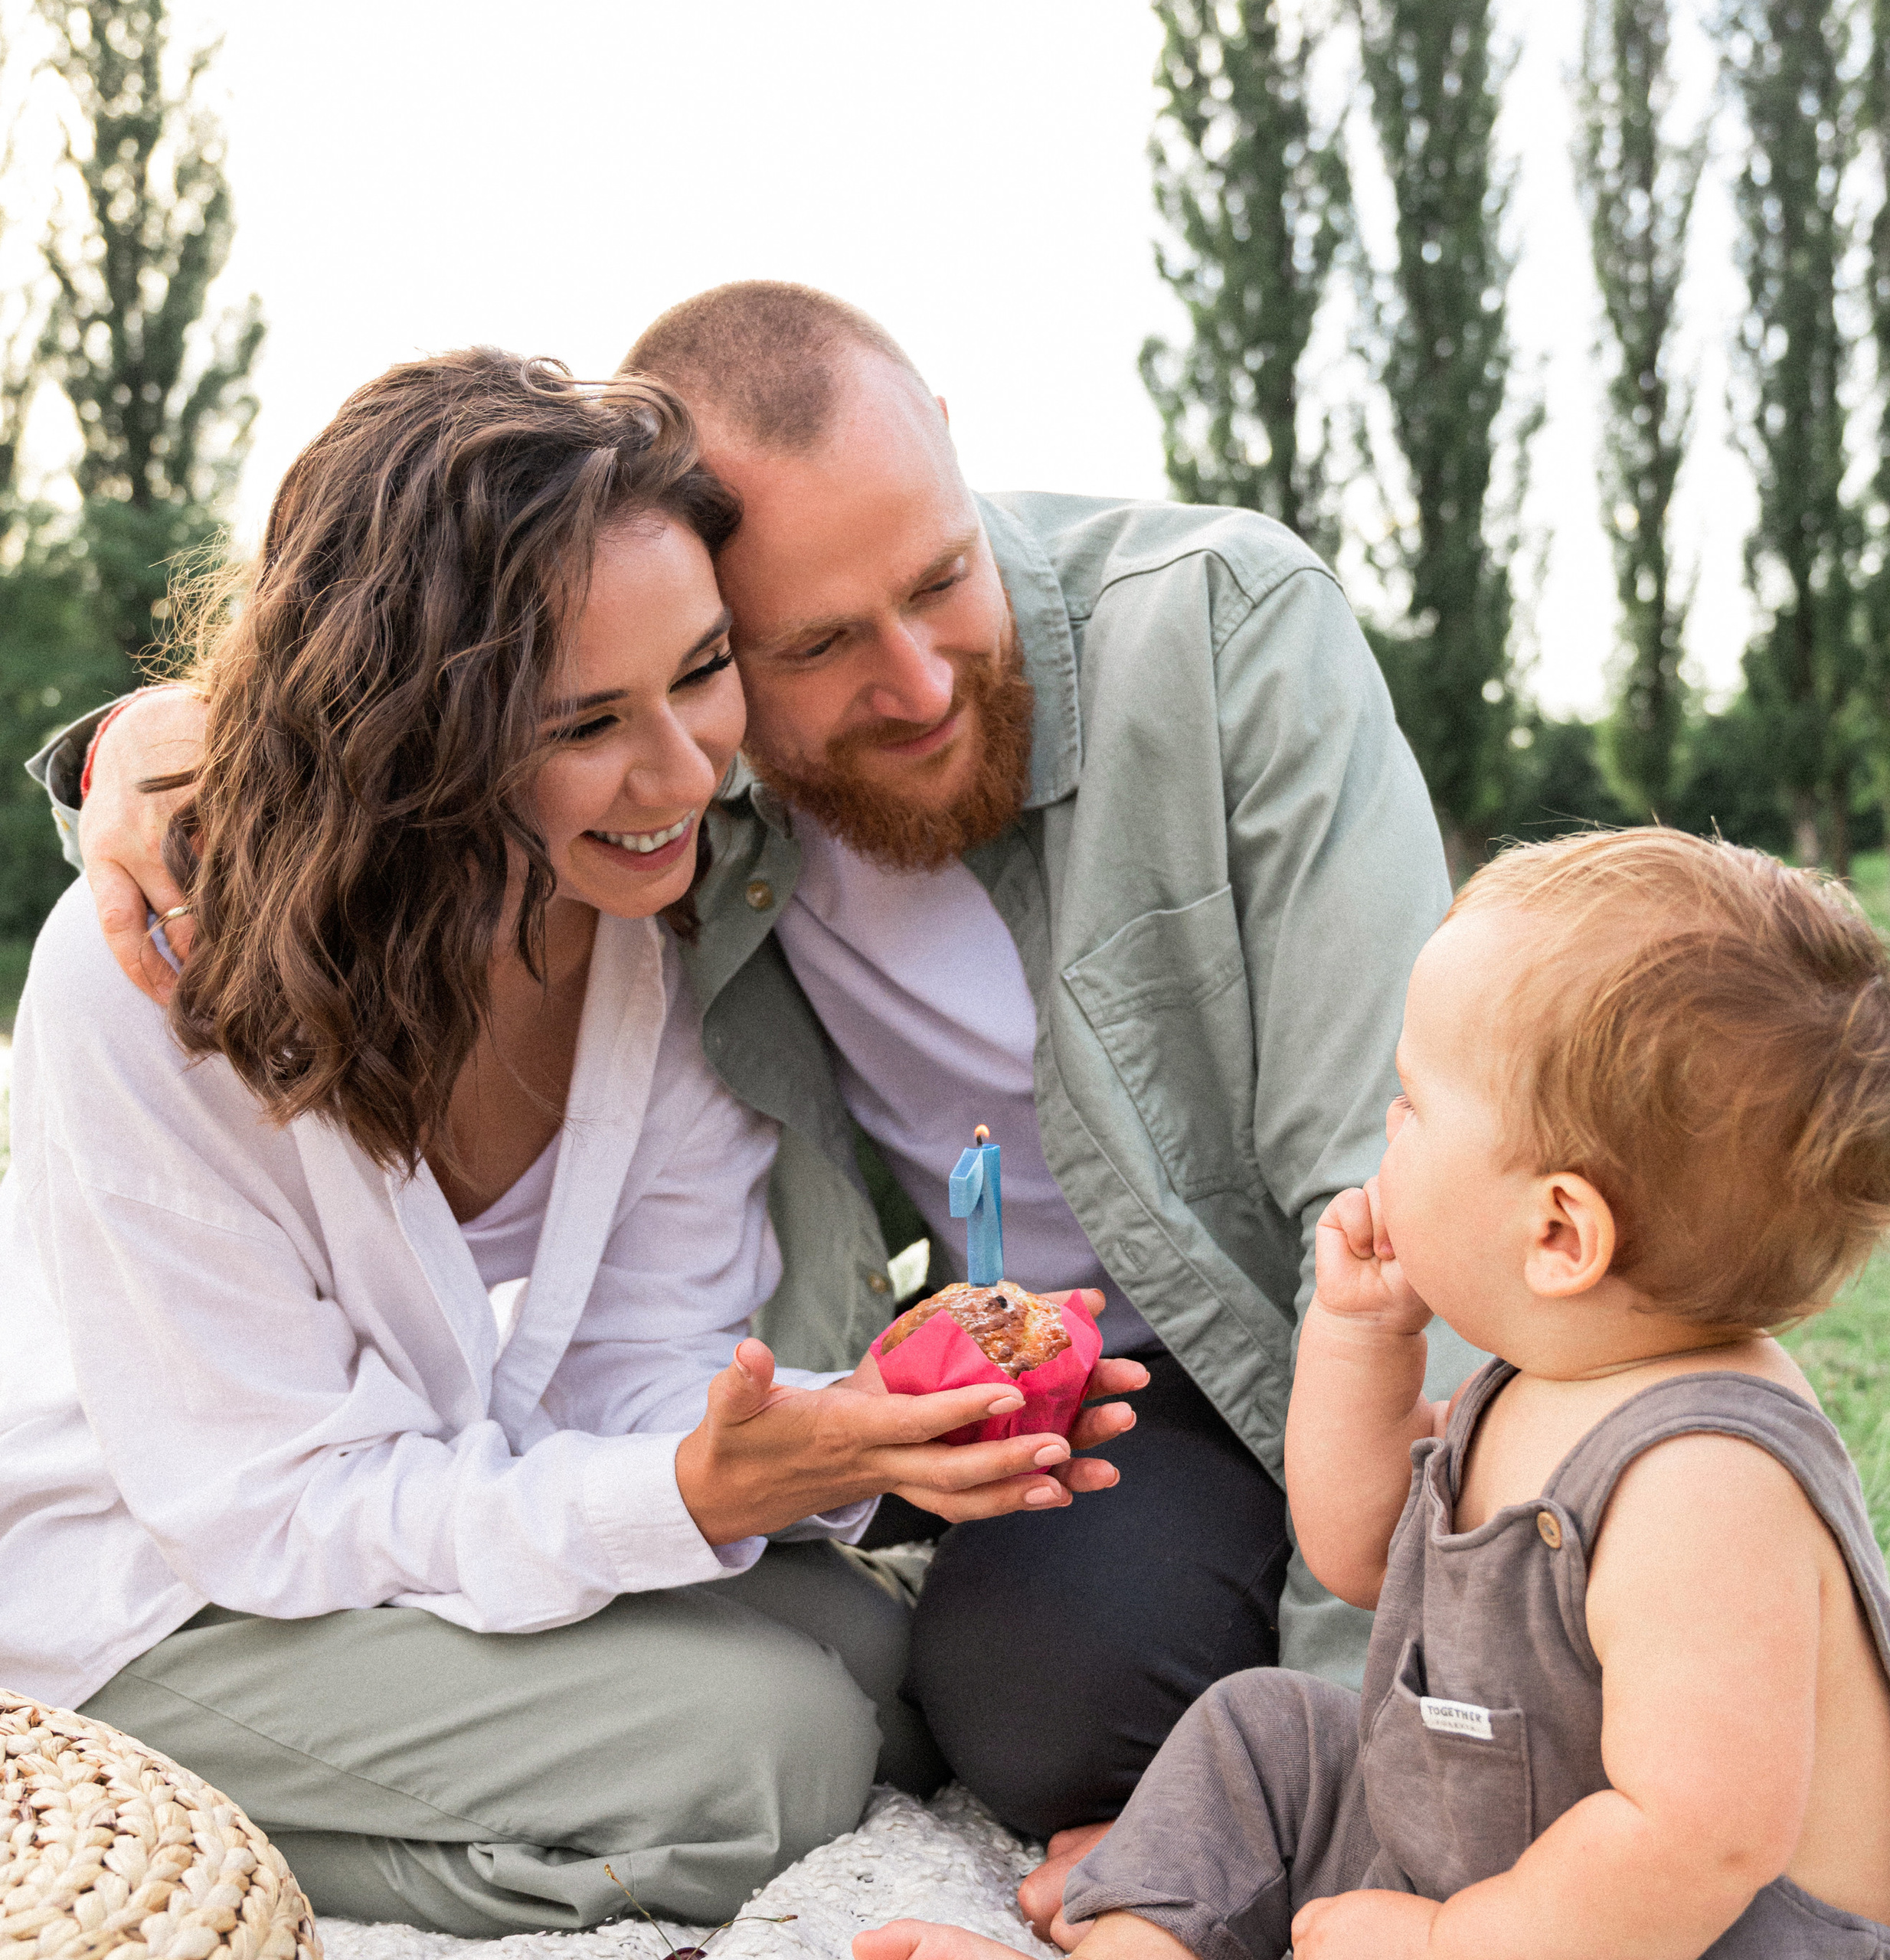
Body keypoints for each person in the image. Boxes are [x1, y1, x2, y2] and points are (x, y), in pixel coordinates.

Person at [51, 283, 1480, 1880]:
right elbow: (412, 663)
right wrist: (149, 743)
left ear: (946, 437)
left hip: (1295, 1361)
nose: (921, 682)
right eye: (807, 644)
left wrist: (1372, 1758)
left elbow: (1386, 1203)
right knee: (902, 1731)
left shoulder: (1203, 636)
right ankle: (140, 1826)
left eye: (943, 578)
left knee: (895, 1685)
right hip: (168, 1556)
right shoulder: (660, 837)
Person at [0, 348, 1143, 1938]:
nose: (684, 773)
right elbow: (272, 1504)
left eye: (698, 671)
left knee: (876, 1659)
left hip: (377, 1498)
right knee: (771, 1749)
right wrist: (674, 1491)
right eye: (586, 720)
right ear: (420, 730)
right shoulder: (145, 978)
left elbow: (628, 1366)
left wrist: (834, 1429)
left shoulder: (639, 933)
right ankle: (201, 1828)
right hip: (154, 1575)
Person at [857, 828, 1890, 1960]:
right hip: (1520, 1864)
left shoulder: (1709, 1482)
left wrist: (1452, 1941)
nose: (1385, 1129)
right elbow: (1359, 1551)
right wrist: (1361, 1338)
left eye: (1415, 1103)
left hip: (1717, 1934)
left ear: (1558, 1232)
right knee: (1263, 1731)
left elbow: (1697, 1844)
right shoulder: (1541, 1379)